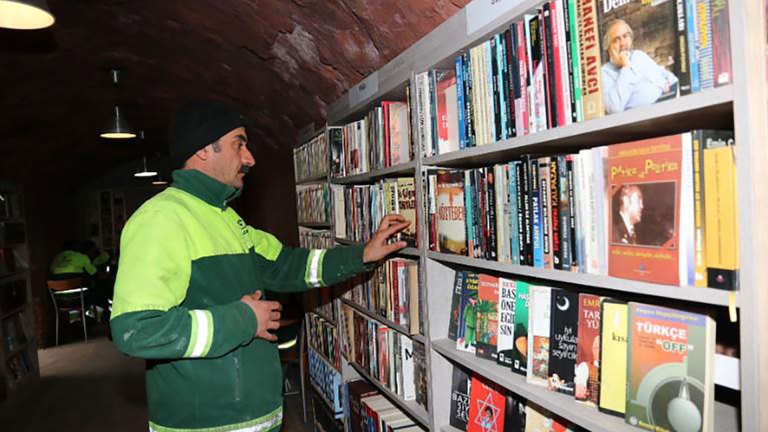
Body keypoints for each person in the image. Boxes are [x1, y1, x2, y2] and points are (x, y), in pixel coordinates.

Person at [110, 99, 410, 432]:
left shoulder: (225, 217)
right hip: (206, 425)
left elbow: (289, 265)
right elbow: (135, 331)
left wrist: (361, 255)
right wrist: (242, 319)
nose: (250, 158)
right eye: (239, 144)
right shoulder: (160, 219)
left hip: (252, 419)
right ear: (203, 150)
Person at [601, 19, 679, 114]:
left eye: (625, 36)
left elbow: (662, 72)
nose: (622, 43)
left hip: (667, 102)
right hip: (644, 119)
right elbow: (614, 108)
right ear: (608, 47)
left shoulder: (638, 55)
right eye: (616, 40)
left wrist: (669, 83)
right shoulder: (604, 73)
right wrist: (625, 67)